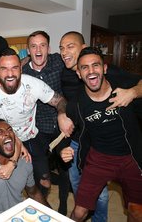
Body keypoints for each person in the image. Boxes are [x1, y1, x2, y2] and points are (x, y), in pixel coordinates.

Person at [58, 31, 142, 221]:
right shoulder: (76, 104)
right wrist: (63, 148)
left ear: (104, 68)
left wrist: (134, 93)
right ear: (78, 73)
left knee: (136, 211)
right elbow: (68, 135)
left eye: (96, 66)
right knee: (79, 212)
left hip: (131, 158)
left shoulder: (121, 86)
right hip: (99, 159)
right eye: (85, 68)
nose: (91, 71)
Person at [0, 48, 73, 193]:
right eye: (4, 69)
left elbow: (60, 100)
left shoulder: (33, 85)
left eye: (14, 68)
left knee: (45, 183)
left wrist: (62, 115)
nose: (10, 74)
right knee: (5, 185)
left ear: (21, 69)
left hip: (31, 138)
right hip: (4, 141)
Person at [22, 30, 69, 213]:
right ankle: (40, 211)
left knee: (65, 167)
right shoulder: (22, 72)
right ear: (28, 50)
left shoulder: (59, 62)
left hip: (63, 126)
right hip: (38, 130)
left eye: (42, 45)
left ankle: (63, 207)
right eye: (33, 46)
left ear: (49, 48)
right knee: (43, 179)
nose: (38, 49)